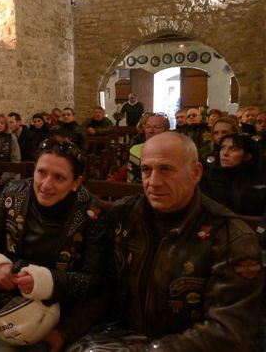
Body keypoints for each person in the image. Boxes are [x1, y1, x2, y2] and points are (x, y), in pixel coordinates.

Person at [78, 132, 263, 351]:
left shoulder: (230, 237)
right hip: (121, 337)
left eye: (165, 169)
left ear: (195, 173)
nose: (153, 182)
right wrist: (64, 331)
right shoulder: (125, 215)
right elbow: (99, 284)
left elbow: (229, 333)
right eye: (146, 170)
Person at [0, 139, 112, 352]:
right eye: (41, 173)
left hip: (63, 312)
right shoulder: (13, 193)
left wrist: (46, 283)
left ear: (76, 182)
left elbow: (96, 281)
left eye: (59, 177)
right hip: (13, 304)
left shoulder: (93, 214)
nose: (46, 185)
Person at [199, 133, 266, 216]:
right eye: (222, 147)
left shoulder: (258, 180)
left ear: (247, 156)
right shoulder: (207, 178)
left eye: (233, 149)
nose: (225, 153)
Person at [126, 114, 170, 183]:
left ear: (167, 131)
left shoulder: (173, 152)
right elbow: (127, 174)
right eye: (148, 127)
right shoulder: (135, 149)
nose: (151, 131)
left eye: (157, 127)